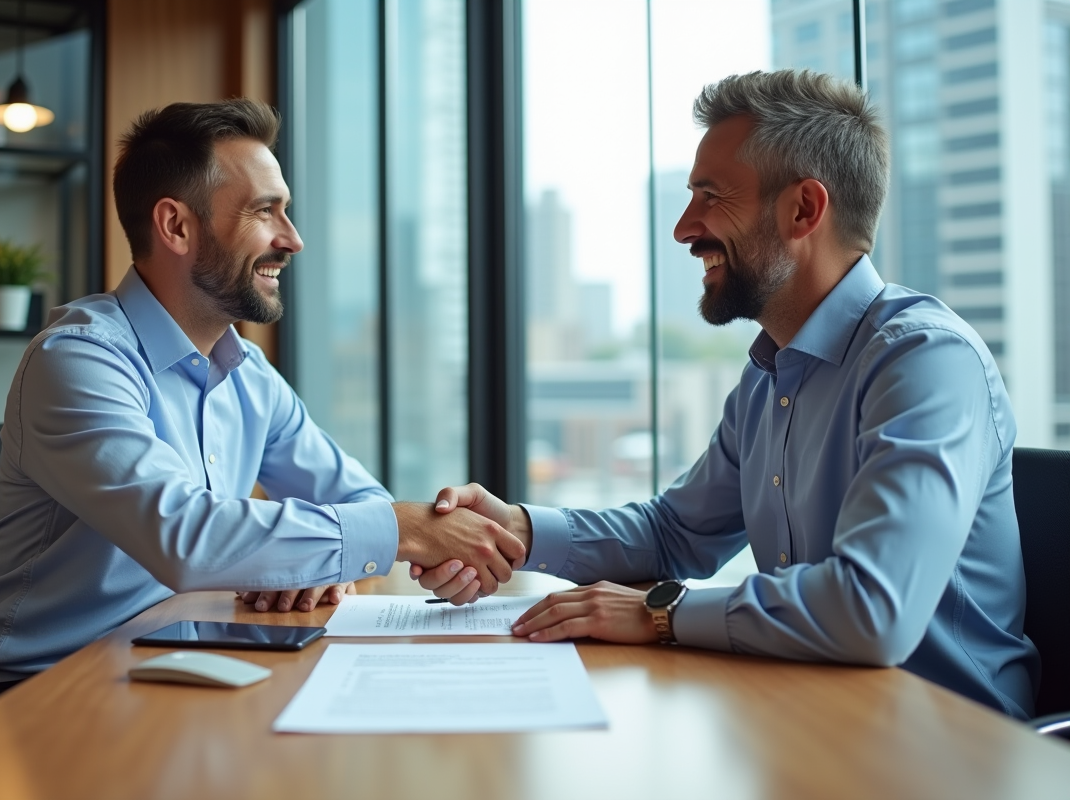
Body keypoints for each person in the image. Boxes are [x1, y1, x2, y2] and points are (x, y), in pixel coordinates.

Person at [415, 70, 1039, 719]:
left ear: (803, 209)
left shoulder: (924, 360)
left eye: (710, 197)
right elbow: (676, 534)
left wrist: (661, 611)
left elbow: (871, 609)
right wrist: (515, 529)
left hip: (948, 743)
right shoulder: (769, 374)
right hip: (813, 716)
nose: (685, 229)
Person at [0, 99, 524, 710]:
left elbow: (357, 501)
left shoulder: (250, 376)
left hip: (168, 671)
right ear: (177, 226)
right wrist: (404, 531)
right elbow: (186, 538)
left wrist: (321, 563)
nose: (292, 239)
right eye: (264, 211)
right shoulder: (78, 361)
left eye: (286, 211)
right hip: (29, 691)